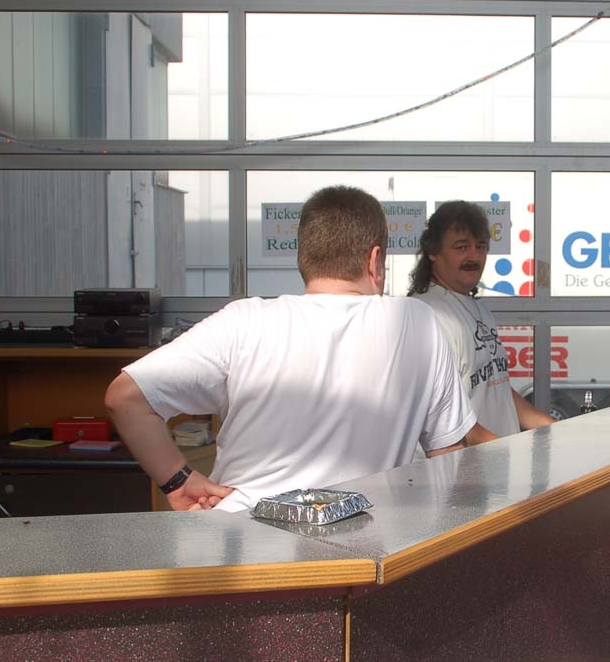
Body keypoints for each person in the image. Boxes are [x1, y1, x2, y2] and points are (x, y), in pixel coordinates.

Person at [105, 185, 493, 512]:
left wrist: (179, 480)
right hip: (362, 553)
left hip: (241, 550)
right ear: (375, 261)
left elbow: (125, 398)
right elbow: (448, 459)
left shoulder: (244, 321)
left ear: (304, 259)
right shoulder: (418, 322)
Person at [407, 201, 554, 438]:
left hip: (495, 456)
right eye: (461, 247)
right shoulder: (427, 314)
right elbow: (439, 415)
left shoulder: (479, 309)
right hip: (463, 461)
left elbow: (496, 386)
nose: (474, 256)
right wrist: (501, 449)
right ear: (433, 252)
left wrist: (554, 428)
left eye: (481, 246)